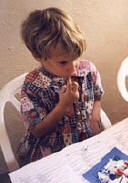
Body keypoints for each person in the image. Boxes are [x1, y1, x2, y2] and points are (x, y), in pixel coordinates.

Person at [18, 7, 104, 165]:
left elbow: (97, 95)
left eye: (76, 57)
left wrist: (95, 116)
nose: (72, 68)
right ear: (39, 56)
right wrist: (63, 105)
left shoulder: (88, 70)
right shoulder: (32, 86)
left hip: (86, 142)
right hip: (51, 152)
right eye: (63, 62)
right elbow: (37, 131)